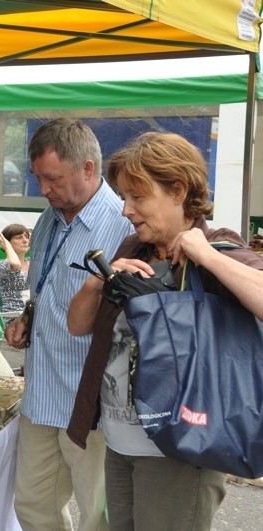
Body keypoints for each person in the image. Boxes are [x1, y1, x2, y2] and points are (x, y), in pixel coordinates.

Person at [66, 132, 263, 531]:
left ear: (178, 190)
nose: (125, 209)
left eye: (137, 197)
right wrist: (95, 284)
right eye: (123, 197)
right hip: (121, 443)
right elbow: (77, 326)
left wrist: (204, 254)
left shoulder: (218, 248)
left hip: (179, 450)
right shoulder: (131, 249)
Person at [3, 118, 134, 531]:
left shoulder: (122, 226)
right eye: (38, 177)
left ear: (89, 169)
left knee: (97, 515)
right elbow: (43, 287)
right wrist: (27, 317)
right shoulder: (49, 219)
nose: (44, 189)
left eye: (52, 178)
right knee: (32, 505)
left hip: (91, 403)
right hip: (42, 394)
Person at [0, 223, 31, 322]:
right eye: (19, 237)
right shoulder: (2, 265)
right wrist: (7, 247)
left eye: (27, 237)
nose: (25, 240)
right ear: (7, 242)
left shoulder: (32, 262)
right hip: (17, 318)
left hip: (34, 313)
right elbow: (15, 264)